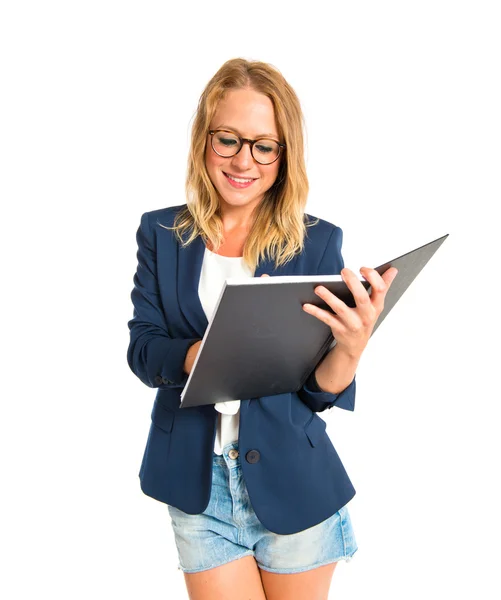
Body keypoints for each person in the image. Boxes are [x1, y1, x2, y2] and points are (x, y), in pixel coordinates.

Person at [127, 57, 398, 600]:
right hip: (197, 484)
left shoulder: (316, 242)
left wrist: (352, 346)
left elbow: (317, 393)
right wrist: (200, 357)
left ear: (283, 154)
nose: (243, 161)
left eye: (264, 145)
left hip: (292, 481)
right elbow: (143, 349)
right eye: (227, 139)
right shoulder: (160, 232)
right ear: (204, 140)